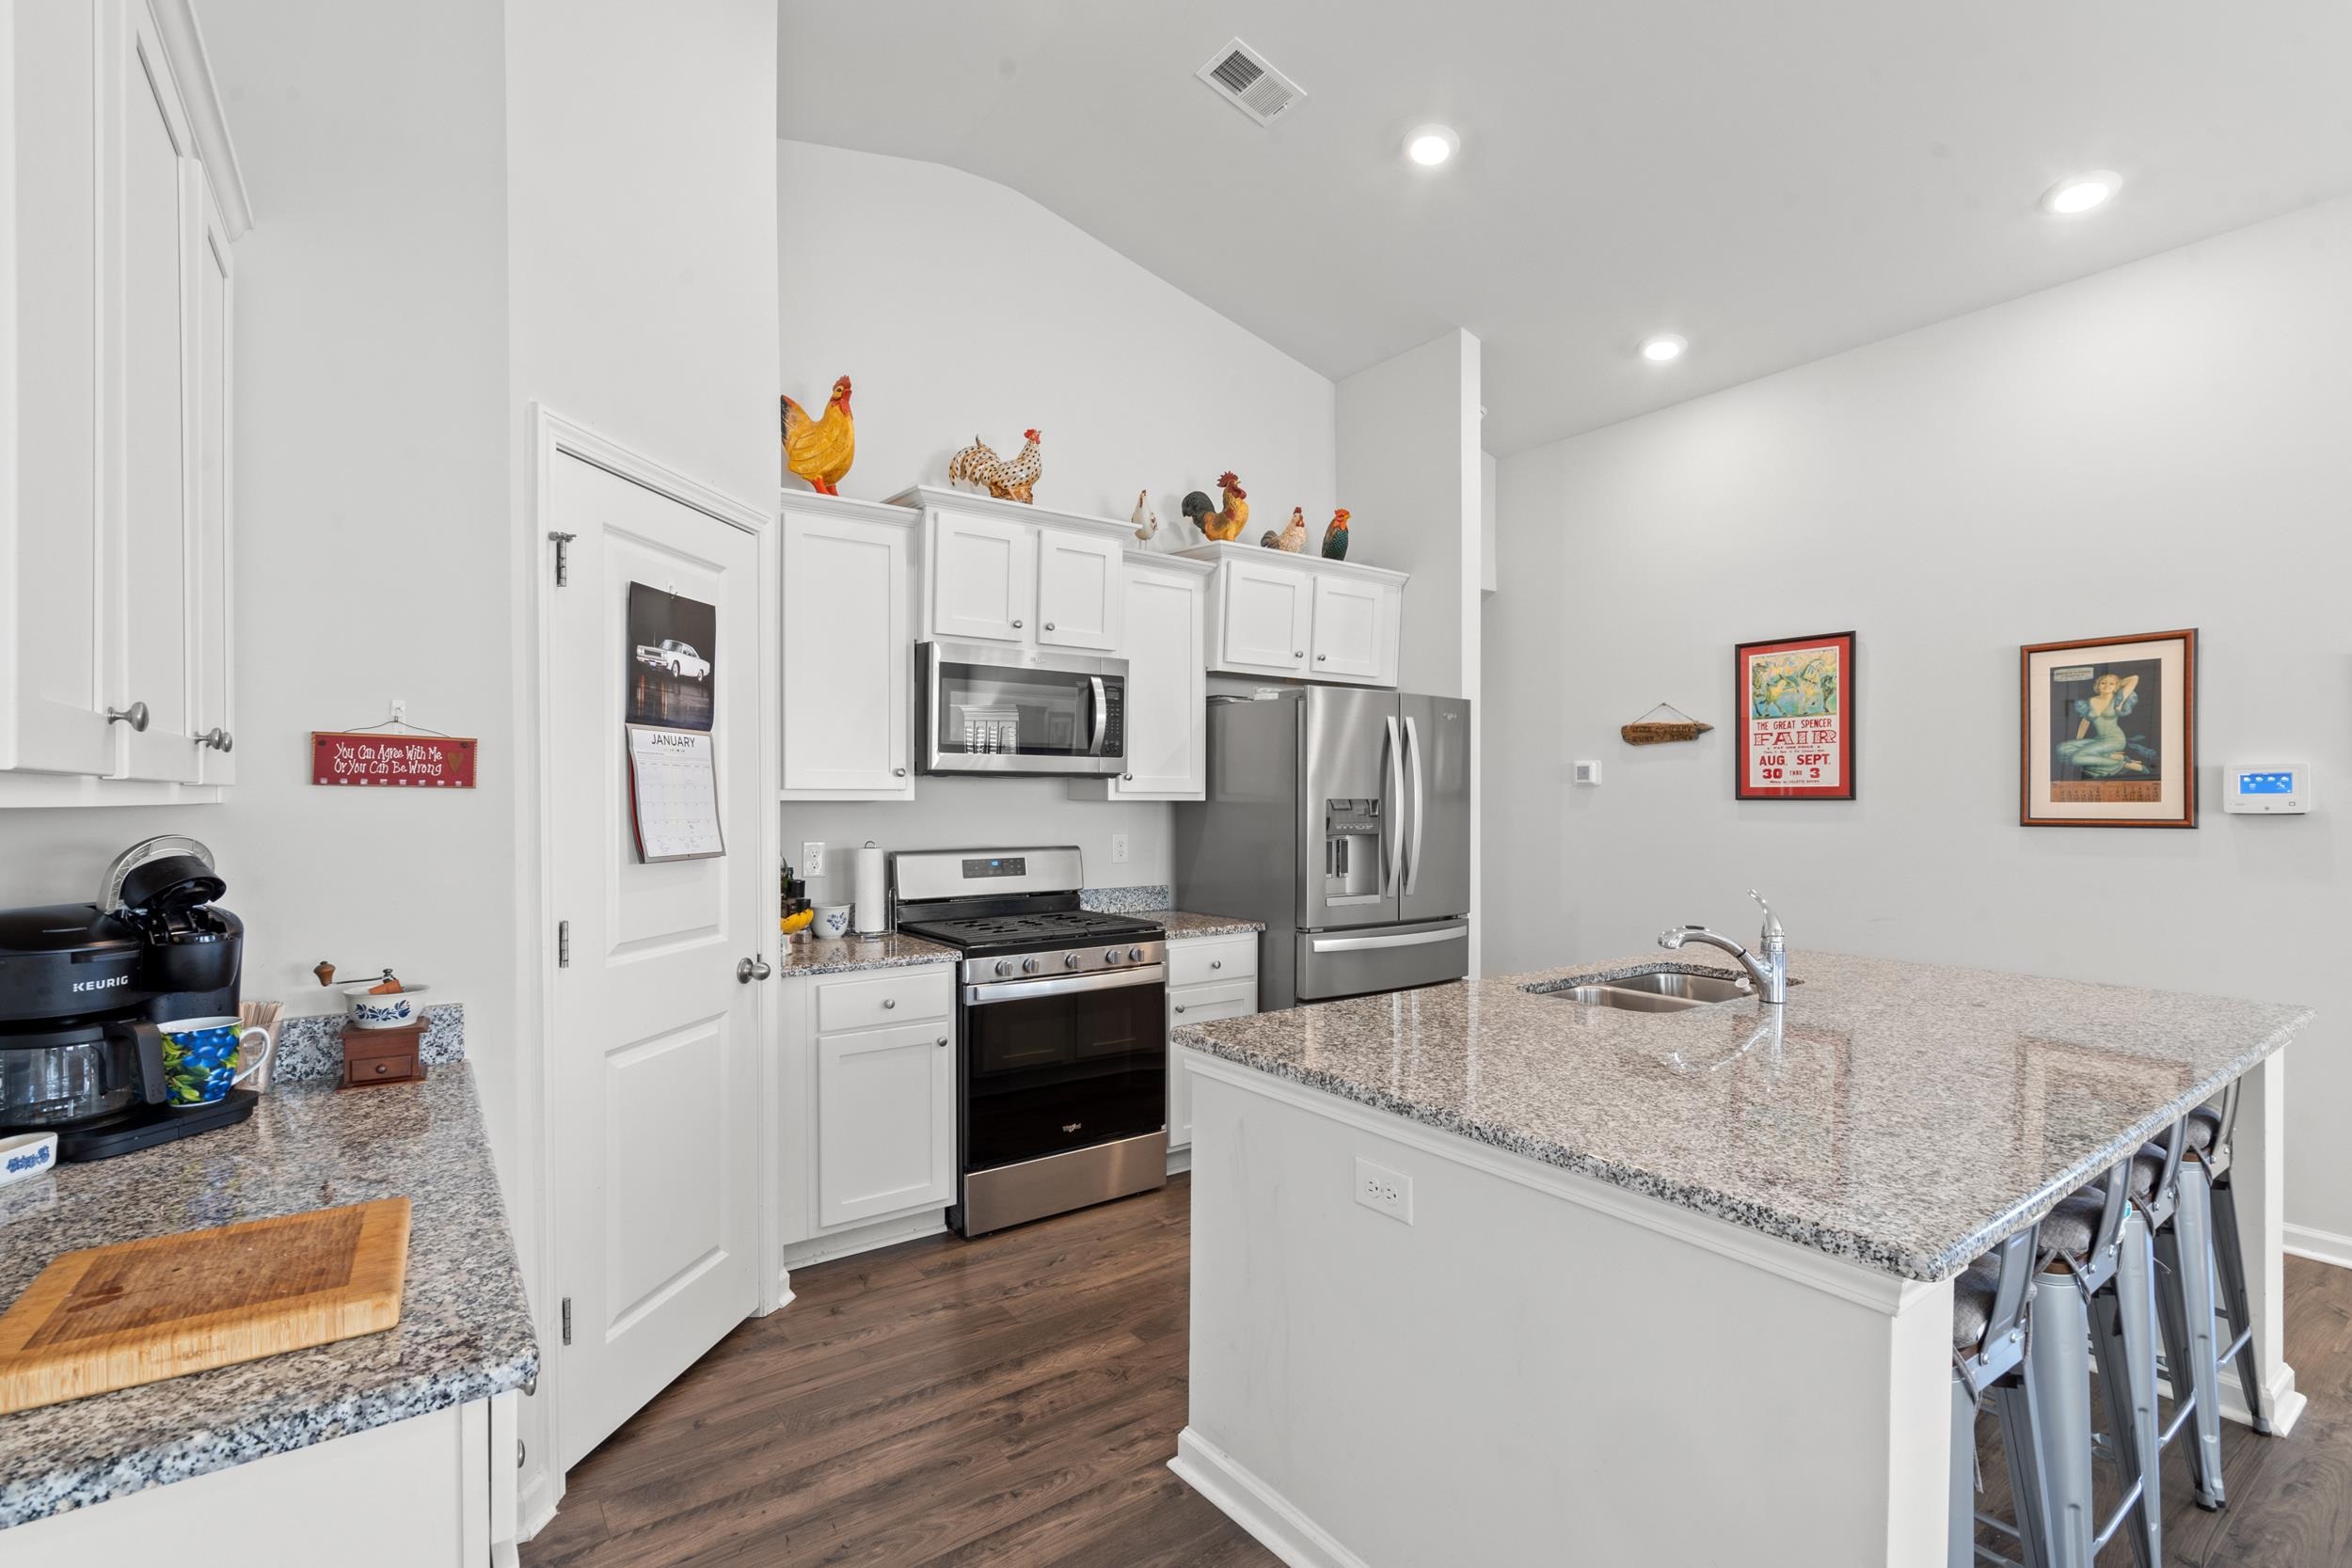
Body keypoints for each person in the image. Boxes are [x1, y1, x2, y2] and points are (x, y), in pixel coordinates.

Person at [2056, 672, 2151, 777]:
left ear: (2116, 686)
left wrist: (2118, 684)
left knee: (2076, 758)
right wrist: (2078, 742)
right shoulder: (2090, 701)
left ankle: (2124, 764)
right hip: (2099, 740)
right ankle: (2109, 756)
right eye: (2103, 683)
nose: (2106, 686)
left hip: (2115, 740)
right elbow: (2084, 723)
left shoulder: (2118, 699)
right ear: (2098, 685)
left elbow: (2134, 678)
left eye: (2111, 684)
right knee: (2062, 748)